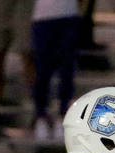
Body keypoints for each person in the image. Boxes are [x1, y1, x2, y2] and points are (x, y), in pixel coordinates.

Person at [30, 0, 79, 141]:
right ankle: (41, 115)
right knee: (42, 71)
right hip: (42, 17)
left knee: (66, 70)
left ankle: (63, 114)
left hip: (68, 15)